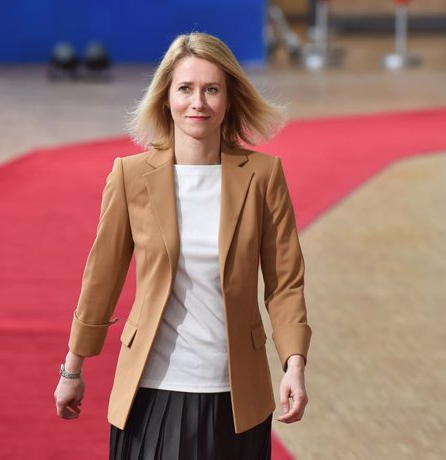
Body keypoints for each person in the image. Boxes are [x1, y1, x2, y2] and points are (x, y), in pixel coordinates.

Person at [54, 32, 312, 459]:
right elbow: (102, 278)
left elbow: (285, 283)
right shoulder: (130, 175)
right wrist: (73, 367)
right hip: (150, 392)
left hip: (236, 397)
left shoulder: (263, 176)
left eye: (212, 89)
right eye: (186, 89)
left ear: (229, 99)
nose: (199, 102)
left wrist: (294, 364)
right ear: (166, 98)